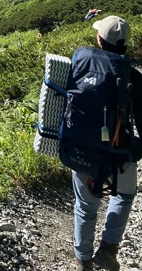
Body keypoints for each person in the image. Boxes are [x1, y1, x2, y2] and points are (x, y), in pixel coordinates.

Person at [72, 15, 142, 271]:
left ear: (99, 40)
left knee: (85, 206)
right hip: (117, 150)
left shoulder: (80, 60)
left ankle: (83, 261)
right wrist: (135, 149)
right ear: (124, 45)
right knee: (124, 194)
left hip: (81, 148)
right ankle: (108, 249)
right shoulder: (132, 76)